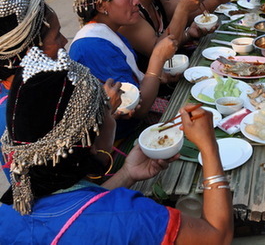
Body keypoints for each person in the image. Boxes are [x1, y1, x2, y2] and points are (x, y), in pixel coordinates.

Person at [0, 47, 234, 243]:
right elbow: (218, 236)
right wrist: (208, 147)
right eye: (108, 112)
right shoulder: (131, 217)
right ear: (92, 139)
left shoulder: (9, 210)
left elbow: (75, 212)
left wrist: (127, 174)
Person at [69, 0, 178, 137]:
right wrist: (157, 60)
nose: (136, 1)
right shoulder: (92, 47)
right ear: (101, 5)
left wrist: (162, 76)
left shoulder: (110, 33)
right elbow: (138, 107)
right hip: (122, 140)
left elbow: (135, 81)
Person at [0, 0, 63, 178]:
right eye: (56, 36)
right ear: (30, 52)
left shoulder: (41, 86)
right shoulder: (11, 116)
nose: (65, 41)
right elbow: (37, 193)